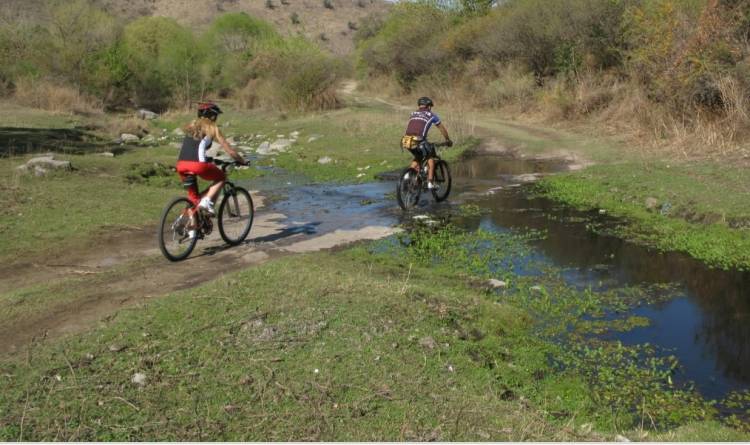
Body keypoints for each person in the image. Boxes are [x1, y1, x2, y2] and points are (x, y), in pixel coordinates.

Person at [175, 102, 246, 216]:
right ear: (212, 116)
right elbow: (230, 151)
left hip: (181, 164)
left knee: (194, 199)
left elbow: (194, 147)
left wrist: (208, 158)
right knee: (222, 177)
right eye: (216, 116)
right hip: (198, 165)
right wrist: (242, 161)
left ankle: (192, 229)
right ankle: (207, 202)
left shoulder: (191, 126)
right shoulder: (212, 128)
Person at [402, 96, 453, 189]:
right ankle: (430, 182)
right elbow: (442, 128)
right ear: (429, 106)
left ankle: (408, 175)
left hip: (406, 140)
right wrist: (447, 140)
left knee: (418, 157)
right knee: (431, 158)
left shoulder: (413, 113)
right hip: (418, 140)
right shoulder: (432, 115)